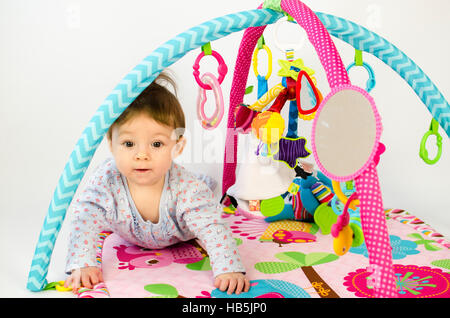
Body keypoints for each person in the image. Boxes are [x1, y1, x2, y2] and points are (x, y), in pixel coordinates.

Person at [64, 72, 249, 295]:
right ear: (111, 145)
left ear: (178, 147)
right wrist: (83, 263)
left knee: (205, 204)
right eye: (129, 143)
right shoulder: (106, 180)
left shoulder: (187, 190)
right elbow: (84, 216)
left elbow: (212, 228)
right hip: (129, 233)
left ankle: (206, 183)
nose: (142, 155)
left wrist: (227, 268)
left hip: (180, 233)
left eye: (157, 143)